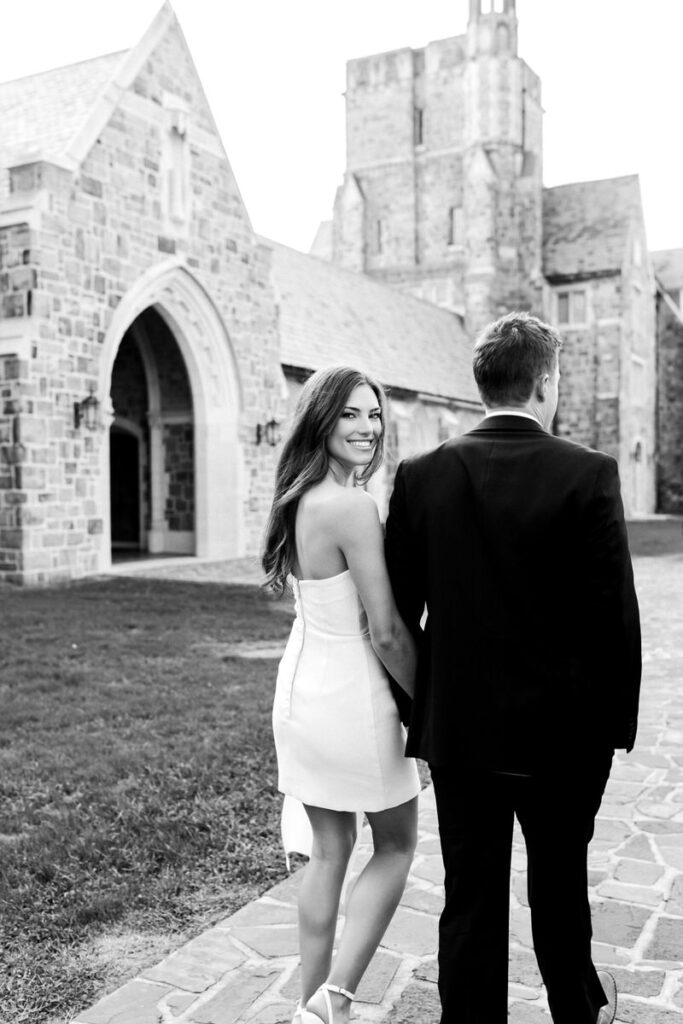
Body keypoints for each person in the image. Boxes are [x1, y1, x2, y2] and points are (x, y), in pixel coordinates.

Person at [384, 312, 641, 1024]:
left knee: (470, 894)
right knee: (559, 890)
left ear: (482, 383)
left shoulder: (419, 477)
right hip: (564, 738)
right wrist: (615, 724)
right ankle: (573, 1013)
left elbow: (397, 616)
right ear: (545, 381)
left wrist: (426, 709)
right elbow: (612, 613)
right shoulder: (587, 474)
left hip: (461, 734)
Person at [262, 365, 421, 1024]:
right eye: (351, 414)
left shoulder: (296, 497)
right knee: (394, 845)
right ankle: (333, 1001)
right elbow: (384, 631)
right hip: (353, 699)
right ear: (321, 420)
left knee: (327, 852)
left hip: (301, 692)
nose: (366, 427)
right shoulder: (351, 505)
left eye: (374, 414)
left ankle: (308, 1005)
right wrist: (428, 706)